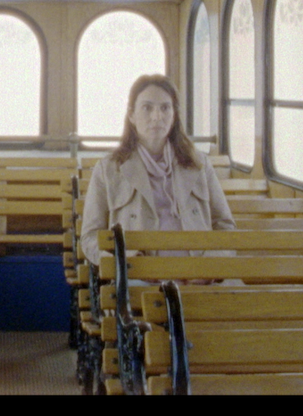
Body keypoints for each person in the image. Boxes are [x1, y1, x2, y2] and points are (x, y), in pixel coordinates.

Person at [79, 74, 237, 284]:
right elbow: (90, 237)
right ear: (132, 115)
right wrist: (125, 263)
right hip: (139, 277)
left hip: (200, 277)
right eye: (147, 108)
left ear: (174, 115)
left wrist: (207, 268)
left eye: (165, 108)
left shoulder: (199, 165)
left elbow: (225, 226)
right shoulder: (109, 169)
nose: (157, 117)